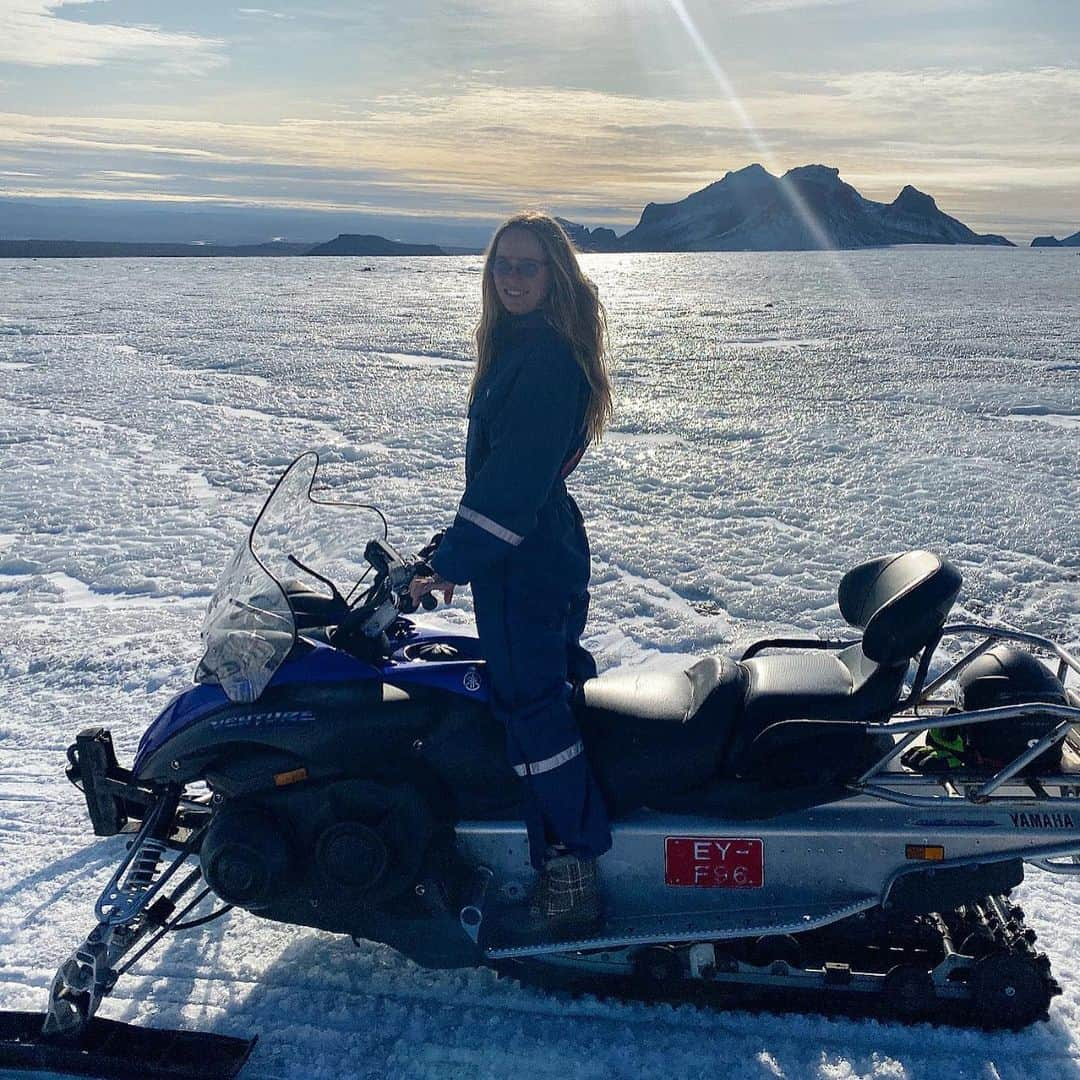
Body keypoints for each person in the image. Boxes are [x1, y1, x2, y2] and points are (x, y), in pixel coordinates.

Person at [409, 211, 613, 937]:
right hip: (523, 551)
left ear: (556, 274)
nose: (514, 278)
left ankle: (572, 867)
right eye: (503, 266)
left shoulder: (547, 360)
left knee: (533, 706)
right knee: (535, 689)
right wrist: (449, 549)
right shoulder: (520, 348)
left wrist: (457, 560)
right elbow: (500, 477)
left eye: (529, 266)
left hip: (528, 562)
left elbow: (515, 485)